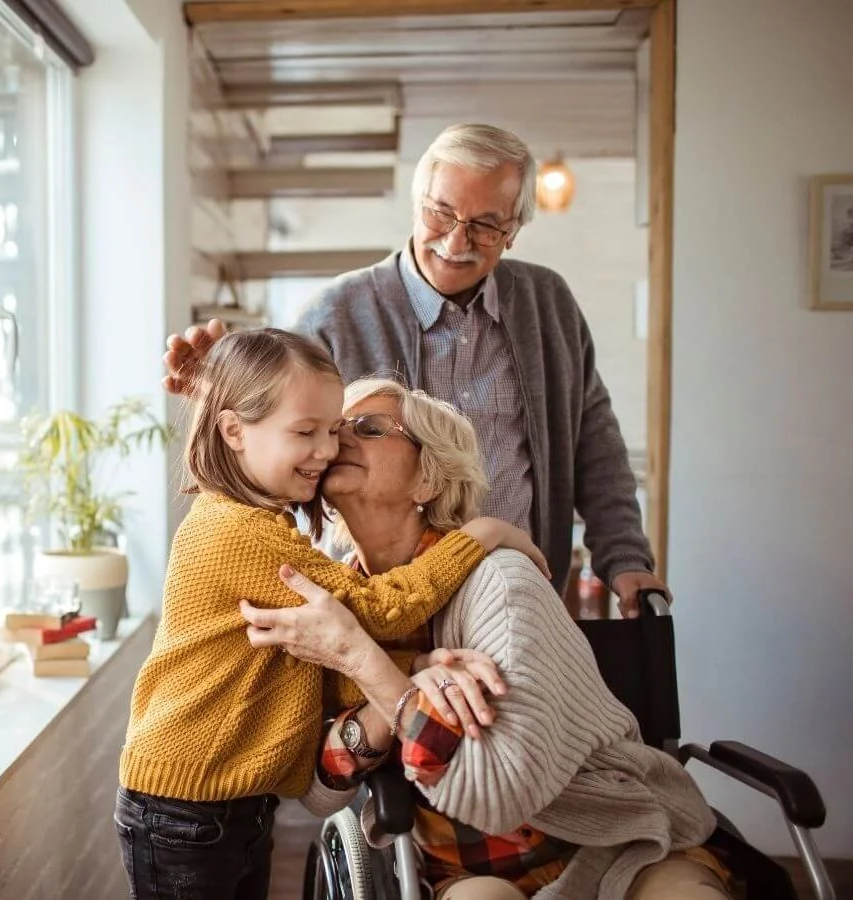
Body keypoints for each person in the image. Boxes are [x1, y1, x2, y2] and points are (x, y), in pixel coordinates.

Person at [242, 377, 734, 900]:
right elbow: (318, 792)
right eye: (334, 429)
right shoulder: (339, 596)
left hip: (614, 840)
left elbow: (498, 797)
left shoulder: (500, 585)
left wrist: (362, 661)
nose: (338, 440)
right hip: (467, 864)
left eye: (369, 427)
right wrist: (402, 685)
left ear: (428, 479)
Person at [163, 123, 667, 617]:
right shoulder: (334, 313)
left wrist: (624, 558)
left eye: (486, 224)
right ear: (416, 201)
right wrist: (228, 389)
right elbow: (278, 444)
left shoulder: (547, 304)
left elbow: (595, 443)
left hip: (515, 598)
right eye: (440, 213)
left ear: (513, 232)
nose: (455, 240)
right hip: (385, 604)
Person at [115, 329, 546, 900]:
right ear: (234, 432)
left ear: (428, 475)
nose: (328, 448)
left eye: (342, 430)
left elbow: (322, 661)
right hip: (187, 809)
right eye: (310, 432)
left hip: (229, 805)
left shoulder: (267, 529)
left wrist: (414, 663)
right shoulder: (243, 534)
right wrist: (480, 535)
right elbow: (381, 612)